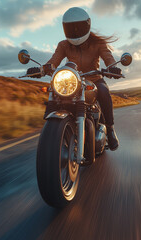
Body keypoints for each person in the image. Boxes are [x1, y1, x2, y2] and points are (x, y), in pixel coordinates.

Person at [26, 7, 121, 151]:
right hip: (72, 81)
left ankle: (111, 129)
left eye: (79, 27)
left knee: (103, 91)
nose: (75, 31)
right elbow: (53, 62)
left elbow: (108, 58)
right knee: (56, 93)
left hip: (94, 80)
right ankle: (52, 133)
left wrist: (112, 67)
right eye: (71, 28)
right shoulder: (63, 45)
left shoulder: (98, 43)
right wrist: (41, 70)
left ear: (87, 25)